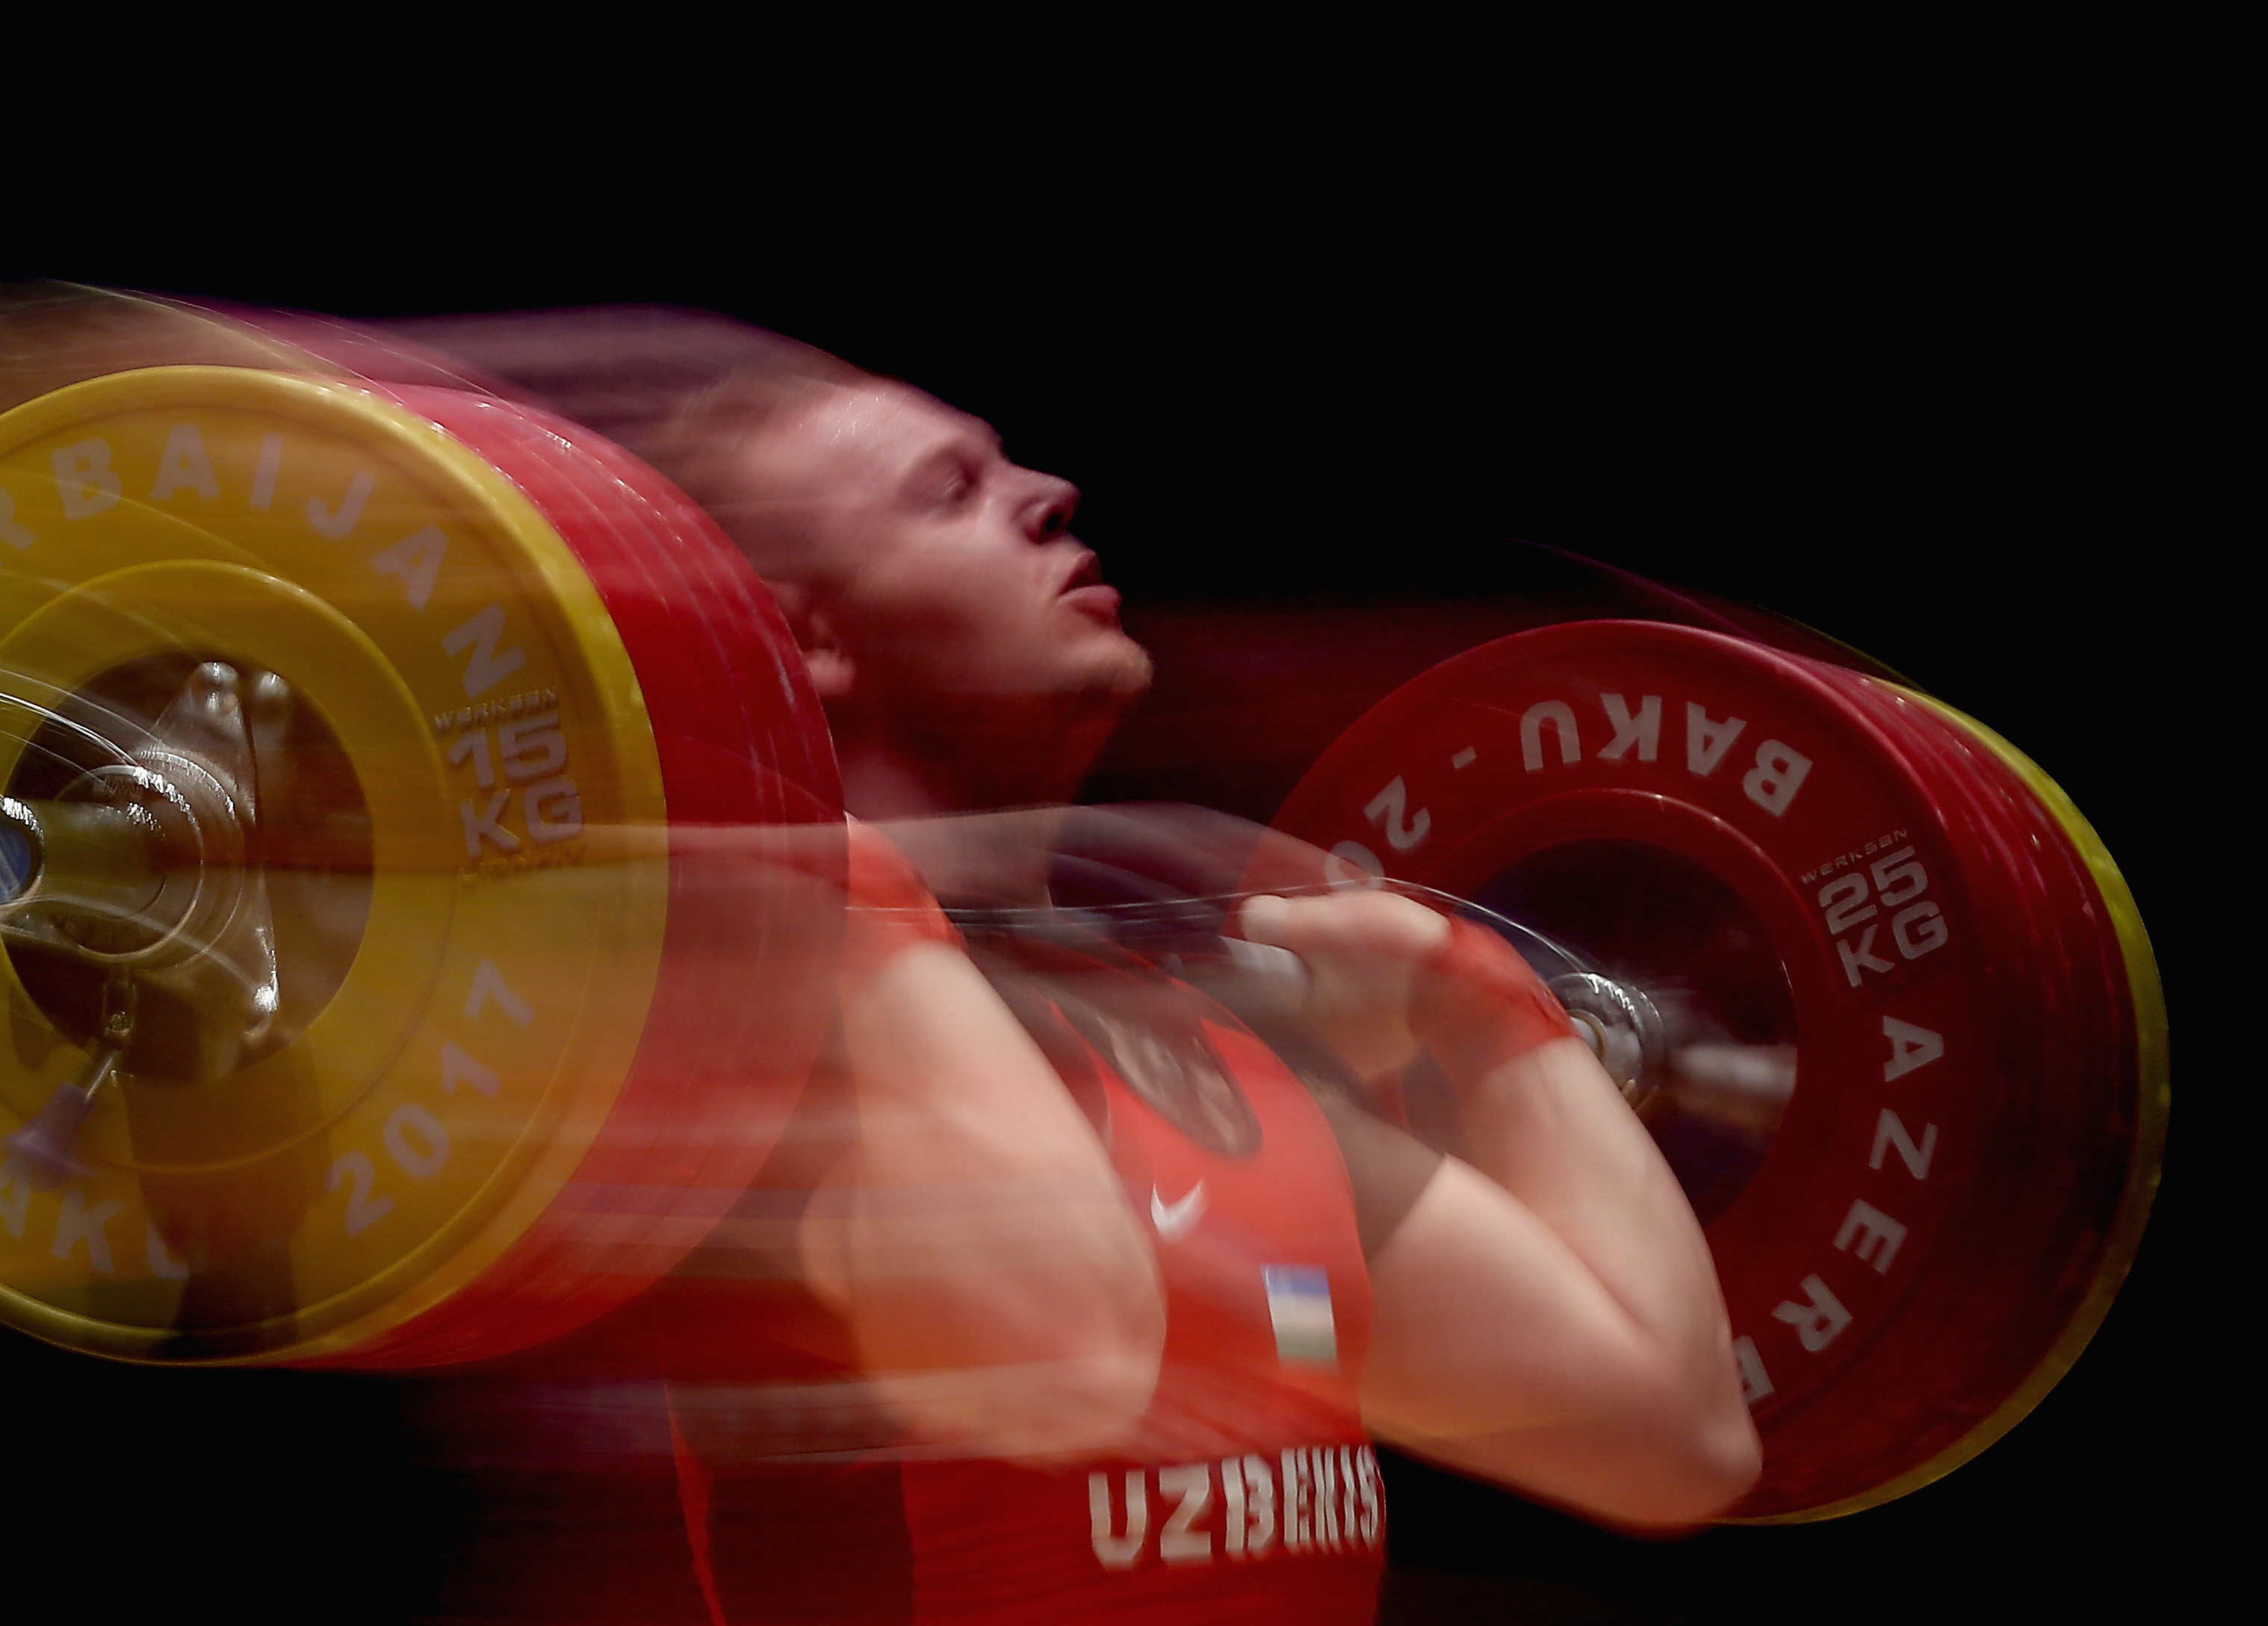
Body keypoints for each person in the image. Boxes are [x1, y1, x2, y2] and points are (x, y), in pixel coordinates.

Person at [397, 307, 1761, 1624]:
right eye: (948, 495)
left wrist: (1481, 1006)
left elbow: (1665, 1439)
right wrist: (840, 893)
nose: (1048, 494)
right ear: (802, 636)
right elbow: (1062, 1359)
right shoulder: (738, 1043)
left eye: (1008, 466)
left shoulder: (1188, 1046)